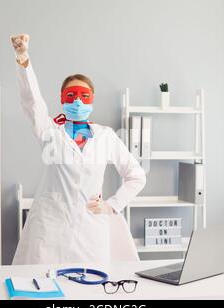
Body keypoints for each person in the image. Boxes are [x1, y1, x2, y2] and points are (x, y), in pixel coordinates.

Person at [11, 34, 146, 265]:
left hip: (91, 227)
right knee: (42, 283)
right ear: (62, 100)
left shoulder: (106, 136)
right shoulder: (50, 130)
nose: (77, 102)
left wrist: (111, 205)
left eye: (84, 96)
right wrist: (24, 60)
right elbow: (33, 102)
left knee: (92, 283)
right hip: (50, 226)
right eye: (71, 96)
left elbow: (137, 176)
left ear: (92, 101)